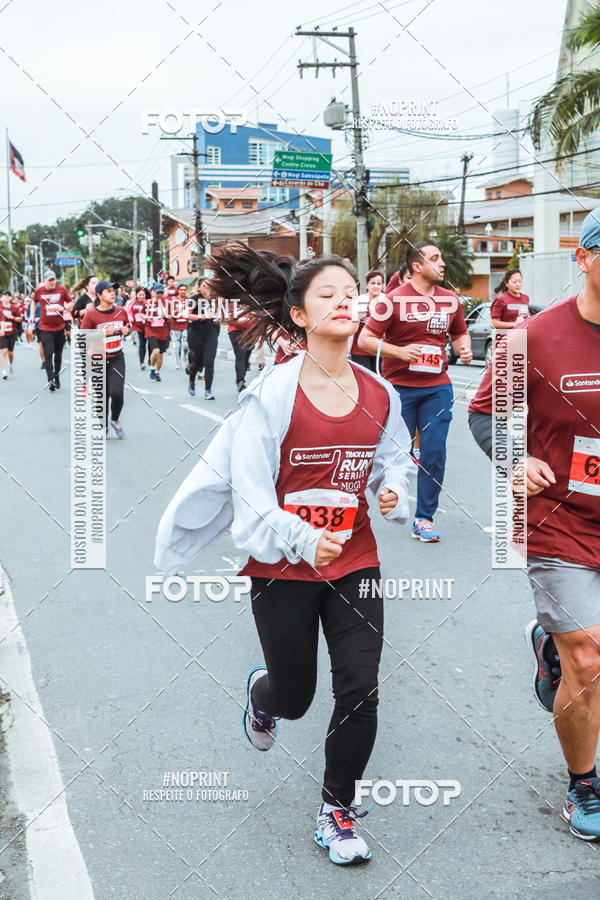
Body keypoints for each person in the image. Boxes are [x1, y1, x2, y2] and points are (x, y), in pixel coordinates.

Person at [155, 243, 412, 865]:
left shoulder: (380, 394)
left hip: (354, 561)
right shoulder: (270, 395)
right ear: (299, 315)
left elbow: (395, 459)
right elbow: (250, 496)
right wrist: (302, 537)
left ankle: (336, 811)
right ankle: (264, 695)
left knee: (361, 689)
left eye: (351, 293)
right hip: (281, 568)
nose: (345, 301)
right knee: (296, 698)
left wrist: (393, 491)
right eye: (328, 294)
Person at [468, 208, 600, 842]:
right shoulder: (535, 337)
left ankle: (548, 647)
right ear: (584, 258)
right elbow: (485, 415)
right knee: (590, 655)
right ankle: (584, 784)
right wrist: (515, 458)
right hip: (559, 520)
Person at [358, 240, 473, 542]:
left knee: (434, 450)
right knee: (398, 453)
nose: (442, 263)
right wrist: (400, 352)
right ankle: (386, 500)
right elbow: (365, 340)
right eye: (435, 258)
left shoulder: (450, 300)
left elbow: (459, 333)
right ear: (417, 266)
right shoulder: (392, 300)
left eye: (441, 257)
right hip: (399, 388)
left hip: (437, 387)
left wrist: (463, 349)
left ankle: (424, 518)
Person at [81, 280, 129, 438]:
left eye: (113, 290)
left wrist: (126, 331)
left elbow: (127, 327)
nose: (113, 293)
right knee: (102, 395)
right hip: (97, 359)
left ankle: (114, 420)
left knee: (117, 393)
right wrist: (102, 333)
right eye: (108, 291)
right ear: (99, 295)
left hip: (117, 357)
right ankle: (103, 426)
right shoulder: (91, 315)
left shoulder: (121, 311)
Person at [32, 270, 73, 391]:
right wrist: (32, 315)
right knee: (48, 354)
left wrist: (63, 307)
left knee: (58, 354)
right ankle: (51, 380)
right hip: (45, 328)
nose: (52, 282)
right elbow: (34, 301)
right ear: (44, 280)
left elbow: (71, 303)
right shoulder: (39, 291)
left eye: (53, 280)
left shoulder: (62, 289)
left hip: (59, 327)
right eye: (49, 280)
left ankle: (56, 375)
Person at [187, 277, 219, 399]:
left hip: (211, 332)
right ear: (199, 287)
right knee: (196, 362)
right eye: (205, 286)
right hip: (196, 333)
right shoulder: (194, 299)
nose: (208, 288)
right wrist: (202, 316)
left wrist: (219, 317)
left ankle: (208, 390)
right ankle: (191, 380)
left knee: (209, 361)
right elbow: (187, 315)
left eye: (210, 286)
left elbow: (220, 314)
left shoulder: (215, 300)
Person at [349, 269, 385, 372]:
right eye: (373, 283)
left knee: (378, 378)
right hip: (359, 350)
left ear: (382, 286)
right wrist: (358, 317)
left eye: (379, 283)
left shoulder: (386, 302)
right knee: (363, 377)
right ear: (367, 284)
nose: (376, 286)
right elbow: (351, 327)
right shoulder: (358, 301)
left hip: (379, 350)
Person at [143, 283, 171, 383]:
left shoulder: (167, 303)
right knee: (155, 351)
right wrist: (147, 317)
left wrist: (166, 316)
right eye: (158, 292)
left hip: (163, 332)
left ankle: (157, 372)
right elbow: (141, 314)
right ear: (153, 292)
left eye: (161, 293)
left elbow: (170, 318)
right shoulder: (148, 303)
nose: (159, 295)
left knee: (160, 355)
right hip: (151, 331)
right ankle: (152, 368)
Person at [170, 282, 189, 371]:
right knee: (178, 346)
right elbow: (170, 314)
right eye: (181, 290)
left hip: (186, 325)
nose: (183, 291)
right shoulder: (173, 301)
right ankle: (178, 362)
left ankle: (185, 358)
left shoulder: (189, 301)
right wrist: (177, 310)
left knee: (185, 345)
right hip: (175, 326)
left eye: (184, 290)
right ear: (178, 291)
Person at [130, 287, 150, 369]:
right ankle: (142, 362)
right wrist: (130, 318)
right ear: (136, 295)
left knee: (148, 344)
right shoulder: (132, 302)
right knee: (141, 344)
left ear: (145, 295)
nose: (141, 296)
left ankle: (150, 358)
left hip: (147, 327)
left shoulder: (148, 303)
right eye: (139, 295)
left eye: (143, 295)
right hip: (137, 327)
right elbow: (128, 311)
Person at [0, 293, 17, 379]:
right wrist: (2, 329)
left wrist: (13, 317)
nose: (6, 297)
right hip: (2, 333)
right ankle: (4, 371)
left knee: (10, 353)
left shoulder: (14, 308)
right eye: (5, 295)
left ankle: (10, 363)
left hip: (12, 332)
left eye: (8, 295)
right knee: (4, 351)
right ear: (2, 297)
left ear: (11, 298)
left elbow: (20, 318)